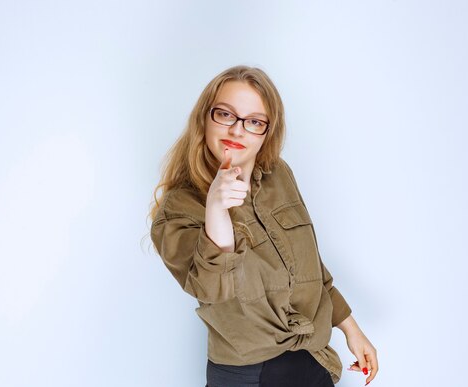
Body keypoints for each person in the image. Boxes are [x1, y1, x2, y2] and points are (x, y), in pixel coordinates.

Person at [149, 65, 378, 386]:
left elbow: (310, 264)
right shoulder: (180, 208)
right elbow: (211, 288)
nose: (238, 130)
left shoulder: (278, 174)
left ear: (268, 132)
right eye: (225, 115)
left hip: (312, 361)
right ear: (204, 118)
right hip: (248, 375)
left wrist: (351, 328)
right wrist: (216, 207)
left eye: (254, 122)